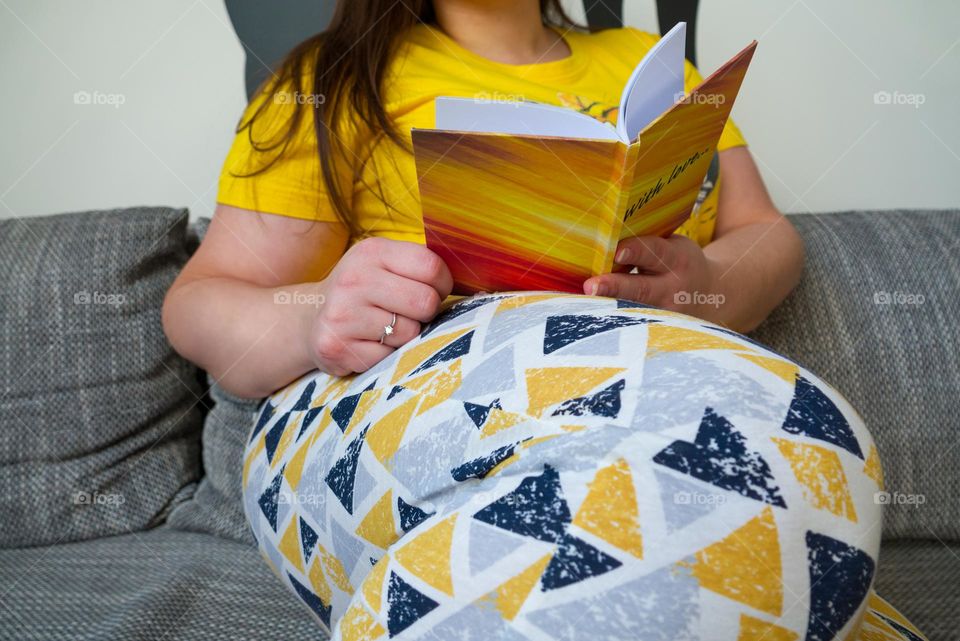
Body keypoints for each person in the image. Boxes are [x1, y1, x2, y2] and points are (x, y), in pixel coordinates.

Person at [162, 1, 927, 639]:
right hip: (407, 391)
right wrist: (314, 313)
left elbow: (768, 232)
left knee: (801, 521)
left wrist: (708, 283)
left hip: (654, 375)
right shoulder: (332, 78)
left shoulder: (650, 65)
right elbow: (200, 303)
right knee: (805, 457)